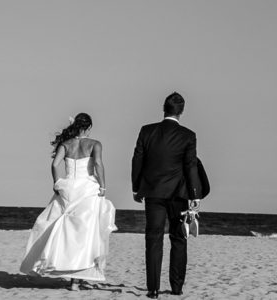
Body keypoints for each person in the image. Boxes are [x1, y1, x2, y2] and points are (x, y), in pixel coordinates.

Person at [20, 112, 117, 291]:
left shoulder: (65, 144)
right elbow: (98, 164)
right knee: (84, 233)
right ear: (88, 127)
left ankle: (67, 273)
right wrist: (103, 186)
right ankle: (75, 280)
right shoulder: (95, 144)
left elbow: (54, 165)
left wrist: (57, 183)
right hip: (87, 188)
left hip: (68, 187)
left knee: (67, 231)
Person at [131, 92, 202, 299]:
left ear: (164, 108)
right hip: (178, 194)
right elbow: (190, 166)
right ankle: (177, 287)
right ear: (182, 111)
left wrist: (137, 187)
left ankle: (152, 289)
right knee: (179, 238)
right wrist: (194, 194)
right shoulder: (188, 135)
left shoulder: (147, 131)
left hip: (153, 192)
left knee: (153, 239)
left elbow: (137, 160)